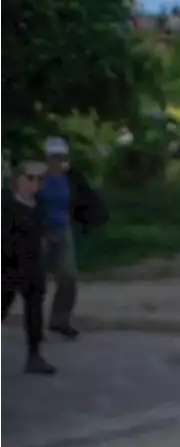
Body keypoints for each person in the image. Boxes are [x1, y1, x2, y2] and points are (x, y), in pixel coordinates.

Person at [38, 137, 107, 339]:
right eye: (53, 157)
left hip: (62, 230)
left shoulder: (72, 177)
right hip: (39, 232)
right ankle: (32, 323)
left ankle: (60, 319)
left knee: (68, 276)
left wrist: (94, 219)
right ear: (46, 158)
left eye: (60, 157)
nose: (57, 161)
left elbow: (87, 198)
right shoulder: (37, 177)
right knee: (33, 280)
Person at [1, 161, 57, 374]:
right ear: (19, 179)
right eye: (31, 178)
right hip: (7, 265)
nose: (36, 183)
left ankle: (34, 356)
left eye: (40, 179)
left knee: (34, 308)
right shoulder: (5, 203)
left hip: (32, 264)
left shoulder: (40, 205)